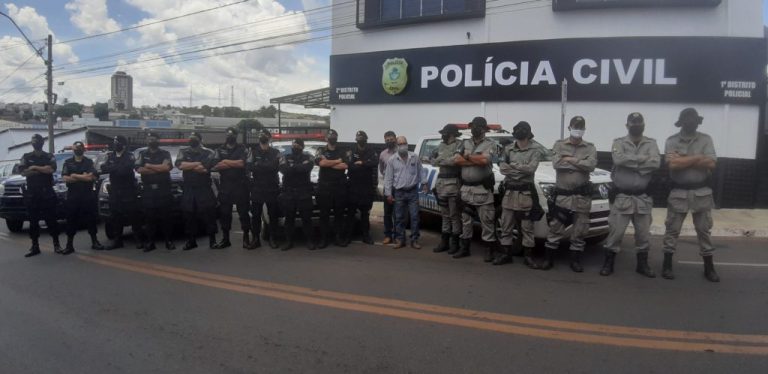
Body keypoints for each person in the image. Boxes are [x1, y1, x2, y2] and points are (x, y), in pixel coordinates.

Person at [662, 108, 720, 282]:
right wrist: (698, 158)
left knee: (704, 231)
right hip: (679, 191)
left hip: (701, 192)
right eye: (687, 119)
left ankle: (709, 268)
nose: (691, 122)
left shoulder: (706, 139)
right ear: (681, 122)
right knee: (672, 230)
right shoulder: (671, 140)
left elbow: (712, 163)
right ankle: (667, 265)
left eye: (694, 119)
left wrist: (685, 158)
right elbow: (673, 165)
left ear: (698, 121)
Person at [600, 113, 660, 277]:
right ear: (627, 125)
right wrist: (643, 161)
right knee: (616, 233)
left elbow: (656, 163)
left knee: (643, 234)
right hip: (622, 197)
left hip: (642, 197)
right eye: (633, 123)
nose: (636, 125)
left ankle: (642, 265)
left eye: (639, 122)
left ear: (644, 125)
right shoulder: (618, 142)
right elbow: (619, 161)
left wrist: (631, 162)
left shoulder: (651, 143)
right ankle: (608, 263)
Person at [542, 116, 597, 272]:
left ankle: (575, 261)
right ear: (569, 127)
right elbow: (556, 163)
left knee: (580, 230)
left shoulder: (590, 147)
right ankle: (548, 259)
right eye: (575, 126)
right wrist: (580, 162)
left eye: (580, 127)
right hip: (563, 196)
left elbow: (591, 165)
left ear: (584, 129)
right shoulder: (559, 145)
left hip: (582, 196)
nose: (578, 129)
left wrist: (570, 159)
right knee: (556, 228)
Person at [497, 121, 547, 268]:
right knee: (506, 224)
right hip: (510, 192)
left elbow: (531, 169)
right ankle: (506, 254)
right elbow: (502, 168)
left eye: (522, 129)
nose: (519, 131)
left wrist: (513, 167)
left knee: (527, 227)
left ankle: (528, 257)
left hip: (525, 193)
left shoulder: (535, 149)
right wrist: (519, 171)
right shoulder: (508, 149)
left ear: (528, 132)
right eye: (517, 129)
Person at [453, 117, 498, 260]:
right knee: (466, 220)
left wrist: (467, 157)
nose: (475, 128)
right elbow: (456, 160)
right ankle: (464, 248)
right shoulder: (464, 143)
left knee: (487, 221)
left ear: (484, 129)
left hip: (482, 190)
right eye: (473, 126)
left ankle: (489, 250)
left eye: (478, 126)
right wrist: (474, 159)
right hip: (466, 189)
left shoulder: (491, 144)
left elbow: (485, 161)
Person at [18, 134, 62, 257]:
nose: (35, 143)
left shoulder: (49, 156)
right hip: (32, 194)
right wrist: (42, 169)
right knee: (33, 222)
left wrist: (34, 167)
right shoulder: (26, 157)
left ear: (42, 143)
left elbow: (51, 170)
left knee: (52, 220)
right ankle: (35, 246)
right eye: (34, 141)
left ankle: (56, 244)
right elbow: (23, 172)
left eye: (37, 141)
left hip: (47, 192)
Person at [175, 132, 218, 250]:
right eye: (190, 138)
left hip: (203, 187)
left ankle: (212, 240)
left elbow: (205, 169)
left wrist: (189, 165)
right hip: (188, 188)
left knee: (209, 214)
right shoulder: (183, 151)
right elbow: (180, 165)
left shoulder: (209, 152)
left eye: (193, 138)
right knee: (188, 215)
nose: (191, 140)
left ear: (200, 139)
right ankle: (191, 241)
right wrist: (197, 163)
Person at [100, 135, 145, 250]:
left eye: (117, 142)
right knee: (116, 217)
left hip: (128, 191)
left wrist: (113, 167)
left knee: (134, 216)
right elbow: (104, 168)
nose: (115, 144)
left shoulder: (129, 156)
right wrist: (116, 167)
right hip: (115, 191)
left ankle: (139, 240)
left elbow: (125, 170)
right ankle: (117, 241)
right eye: (114, 142)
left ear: (123, 145)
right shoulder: (110, 156)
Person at [61, 141, 104, 254]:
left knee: (91, 219)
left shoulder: (89, 162)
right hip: (73, 195)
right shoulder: (68, 162)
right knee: (71, 220)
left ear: (83, 150)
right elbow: (65, 178)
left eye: (80, 148)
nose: (78, 150)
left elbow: (91, 178)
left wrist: (74, 175)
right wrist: (83, 176)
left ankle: (95, 242)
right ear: (73, 150)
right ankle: (69, 245)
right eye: (76, 148)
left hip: (87, 195)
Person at [135, 131, 175, 251]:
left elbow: (166, 168)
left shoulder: (165, 153)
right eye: (149, 139)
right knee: (149, 218)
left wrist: (149, 166)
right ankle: (150, 242)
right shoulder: (142, 154)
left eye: (154, 138)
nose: (151, 141)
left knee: (166, 217)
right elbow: (139, 169)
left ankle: (169, 241)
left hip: (163, 190)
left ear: (158, 140)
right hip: (148, 191)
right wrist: (158, 168)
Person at [384, 136, 425, 249]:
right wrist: (388, 194)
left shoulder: (414, 157)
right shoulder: (392, 160)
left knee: (415, 216)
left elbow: (421, 171)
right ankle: (400, 239)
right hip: (399, 193)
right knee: (399, 217)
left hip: (412, 191)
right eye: (400, 143)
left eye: (404, 143)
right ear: (397, 146)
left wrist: (424, 183)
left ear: (407, 144)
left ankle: (414, 240)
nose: (403, 146)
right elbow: (388, 178)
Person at [212, 127, 250, 249]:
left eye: (232, 134)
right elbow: (216, 166)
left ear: (236, 136)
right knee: (225, 214)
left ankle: (246, 239)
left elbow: (242, 163)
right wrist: (234, 163)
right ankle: (226, 239)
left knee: (243, 213)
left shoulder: (242, 148)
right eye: (228, 134)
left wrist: (226, 161)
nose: (230, 136)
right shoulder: (219, 149)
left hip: (240, 185)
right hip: (225, 186)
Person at [246, 129, 282, 249]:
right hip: (257, 187)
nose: (262, 136)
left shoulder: (276, 152)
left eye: (265, 135)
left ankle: (273, 238)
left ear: (269, 138)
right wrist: (267, 166)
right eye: (260, 135)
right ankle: (256, 239)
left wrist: (259, 164)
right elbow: (249, 166)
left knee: (273, 215)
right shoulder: (253, 151)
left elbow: (275, 166)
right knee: (255, 215)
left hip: (272, 187)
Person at [278, 138, 316, 250]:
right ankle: (289, 241)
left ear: (302, 147)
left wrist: (292, 167)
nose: (295, 147)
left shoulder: (308, 157)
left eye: (297, 145)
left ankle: (309, 241)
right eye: (293, 145)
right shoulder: (285, 157)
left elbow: (307, 168)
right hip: (289, 192)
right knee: (289, 219)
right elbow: (283, 170)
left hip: (304, 192)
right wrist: (299, 167)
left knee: (307, 219)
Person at [430, 124, 462, 254]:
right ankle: (444, 242)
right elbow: (432, 160)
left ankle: (455, 243)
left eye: (445, 133)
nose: (443, 135)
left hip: (454, 183)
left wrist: (440, 160)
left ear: (452, 134)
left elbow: (455, 161)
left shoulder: (459, 144)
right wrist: (441, 160)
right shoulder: (440, 145)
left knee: (454, 215)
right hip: (441, 183)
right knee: (445, 215)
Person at [315, 129, 350, 248]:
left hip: (339, 187)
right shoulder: (320, 150)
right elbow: (321, 164)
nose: (332, 138)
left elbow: (345, 165)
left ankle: (338, 237)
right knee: (324, 214)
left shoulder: (343, 151)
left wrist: (328, 163)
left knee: (339, 214)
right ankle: (323, 239)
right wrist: (337, 161)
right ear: (326, 138)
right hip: (324, 187)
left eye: (334, 136)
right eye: (330, 136)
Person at [346, 130, 378, 244]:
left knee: (365, 213)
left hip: (366, 186)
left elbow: (374, 162)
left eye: (362, 138)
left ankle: (366, 236)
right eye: (358, 138)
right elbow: (350, 165)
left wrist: (362, 163)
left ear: (366, 139)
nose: (360, 140)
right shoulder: (351, 151)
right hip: (353, 186)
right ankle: (348, 236)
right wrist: (364, 164)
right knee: (351, 213)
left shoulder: (371, 150)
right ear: (356, 140)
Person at [379, 131, 397, 245]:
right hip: (388, 186)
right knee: (387, 213)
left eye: (391, 139)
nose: (389, 141)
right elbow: (382, 170)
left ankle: (398, 235)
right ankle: (388, 235)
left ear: (395, 139)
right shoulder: (383, 154)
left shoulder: (401, 152)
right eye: (387, 139)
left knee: (399, 213)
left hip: (399, 186)